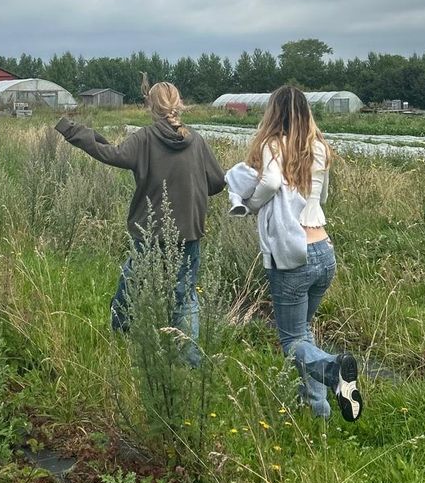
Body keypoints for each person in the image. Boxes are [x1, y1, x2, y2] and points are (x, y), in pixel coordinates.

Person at [54, 81, 226, 363]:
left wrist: (73, 131)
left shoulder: (145, 138)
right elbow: (218, 181)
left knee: (131, 283)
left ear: (150, 106)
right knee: (185, 297)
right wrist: (192, 190)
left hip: (151, 230)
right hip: (190, 230)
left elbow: (112, 154)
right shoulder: (195, 139)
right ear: (179, 104)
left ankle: (120, 335)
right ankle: (190, 359)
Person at [231, 86, 362, 423]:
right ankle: (319, 410)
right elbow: (324, 195)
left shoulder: (273, 144)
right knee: (304, 331)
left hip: (294, 257)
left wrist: (250, 204)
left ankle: (332, 371)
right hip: (324, 249)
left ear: (274, 113)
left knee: (292, 342)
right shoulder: (320, 147)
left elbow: (272, 182)